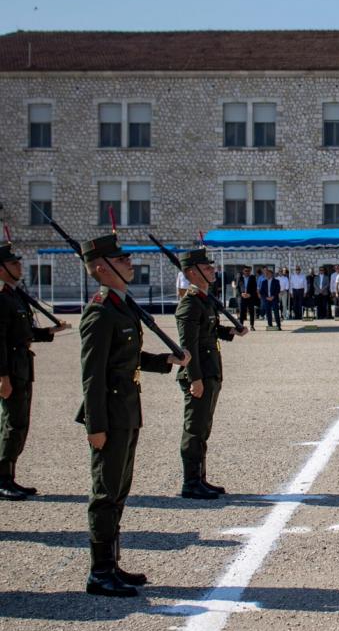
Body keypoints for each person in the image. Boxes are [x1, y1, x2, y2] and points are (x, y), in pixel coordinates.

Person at [78, 233, 190, 597]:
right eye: (121, 259)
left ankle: (112, 564)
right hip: (109, 415)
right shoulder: (99, 311)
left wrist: (165, 361)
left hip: (127, 411)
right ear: (100, 267)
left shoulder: (122, 306)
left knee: (119, 490)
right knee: (105, 492)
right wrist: (95, 426)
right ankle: (99, 572)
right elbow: (93, 375)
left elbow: (127, 359)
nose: (129, 263)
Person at [175, 248, 248, 500]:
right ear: (192, 273)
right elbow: (188, 345)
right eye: (207, 268)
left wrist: (231, 332)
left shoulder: (204, 300)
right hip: (200, 375)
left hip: (210, 372)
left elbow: (210, 330)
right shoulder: (189, 304)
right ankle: (191, 482)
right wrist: (194, 378)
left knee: (203, 428)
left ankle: (201, 478)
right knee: (194, 429)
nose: (212, 270)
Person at [0, 242, 70, 500]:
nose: (19, 266)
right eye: (14, 263)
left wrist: (49, 332)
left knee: (19, 423)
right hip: (11, 370)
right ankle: (2, 478)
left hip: (22, 367)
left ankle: (10, 475)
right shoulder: (1, 297)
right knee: (10, 424)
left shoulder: (15, 295)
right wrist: (2, 376)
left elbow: (22, 333)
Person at [234, 266, 259, 331]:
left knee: (251, 312)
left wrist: (250, 294)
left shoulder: (252, 278)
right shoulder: (240, 277)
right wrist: (241, 294)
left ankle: (252, 326)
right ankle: (241, 325)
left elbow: (254, 288)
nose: (247, 272)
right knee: (242, 312)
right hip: (242, 297)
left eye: (248, 271)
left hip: (250, 297)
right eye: (246, 271)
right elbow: (237, 288)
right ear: (243, 271)